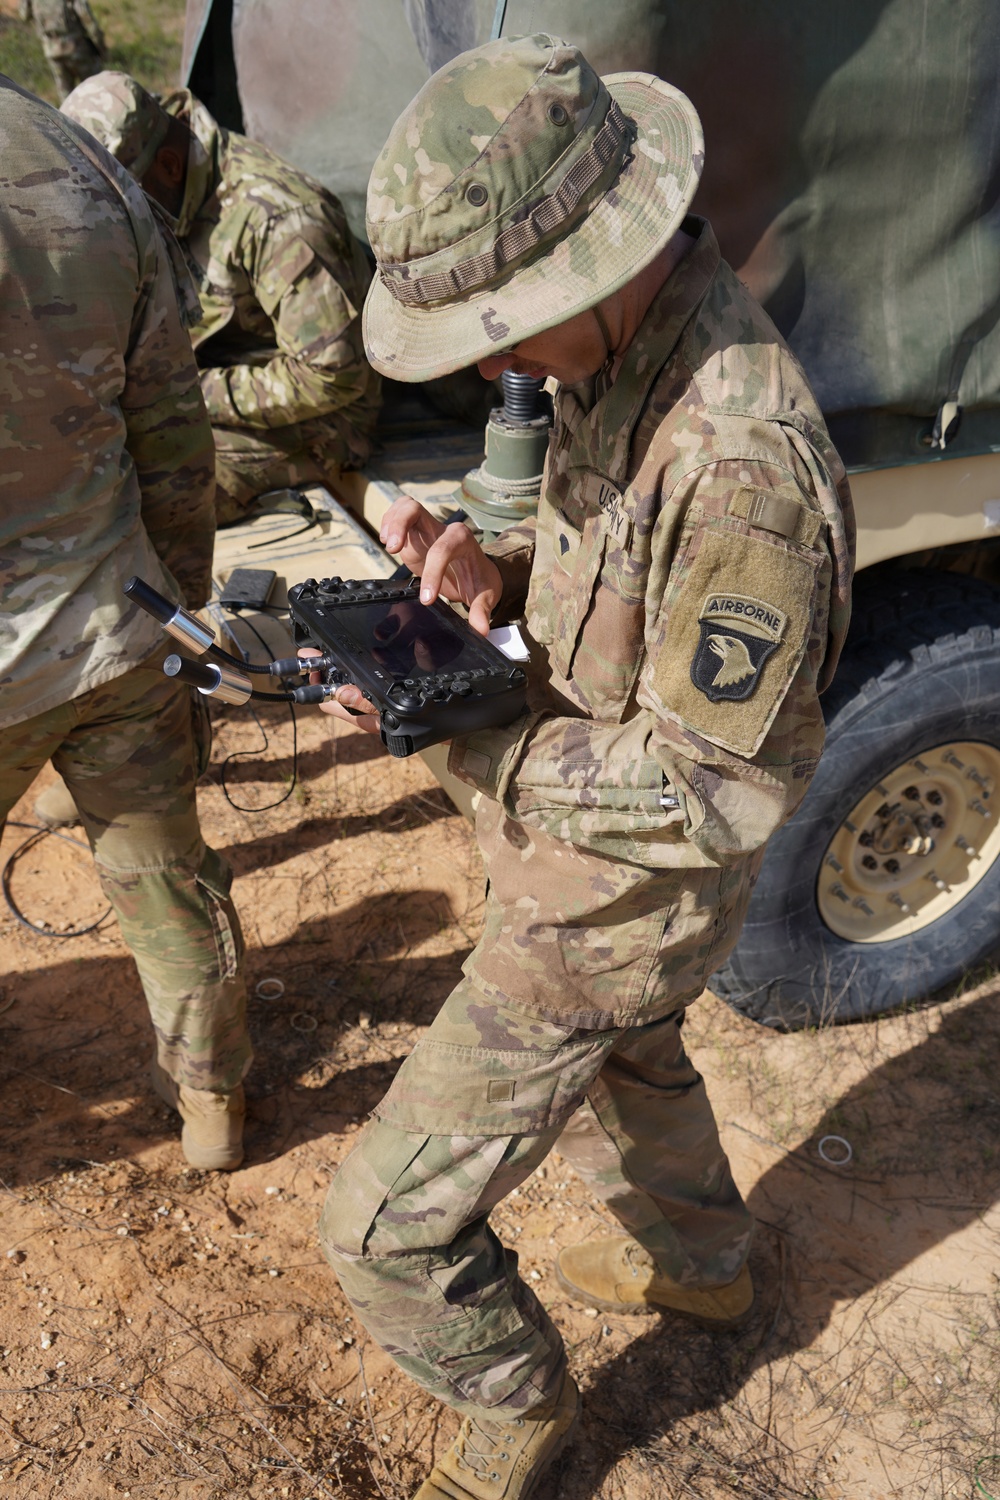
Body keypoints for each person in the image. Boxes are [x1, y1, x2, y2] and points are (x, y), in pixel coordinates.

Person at [313, 34, 855, 1500]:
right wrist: (473, 566)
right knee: (637, 1057)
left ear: (601, 265)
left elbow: (717, 788)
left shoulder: (743, 466)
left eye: (507, 326)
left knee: (382, 1231)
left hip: (623, 895)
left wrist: (476, 732)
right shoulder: (617, 352)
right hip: (591, 862)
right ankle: (704, 1266)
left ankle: (519, 1415)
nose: (495, 361)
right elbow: (569, 517)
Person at [0, 72, 251, 1173]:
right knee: (166, 880)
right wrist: (179, 603)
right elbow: (170, 426)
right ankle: (212, 1108)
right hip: (117, 616)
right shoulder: (86, 163)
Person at [61, 70, 382, 526]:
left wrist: (186, 391)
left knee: (143, 497)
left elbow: (333, 377)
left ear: (169, 166)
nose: (115, 219)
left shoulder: (281, 222)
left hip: (322, 417)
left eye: (122, 202)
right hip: (202, 381)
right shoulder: (168, 185)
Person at [19, 0, 105, 99]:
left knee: (65, 96)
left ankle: (66, 114)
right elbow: (87, 19)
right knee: (94, 89)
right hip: (77, 48)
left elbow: (24, 15)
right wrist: (101, 47)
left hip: (52, 50)